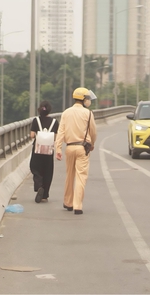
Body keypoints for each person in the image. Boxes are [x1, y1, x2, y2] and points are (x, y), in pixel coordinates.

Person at [54, 87, 97, 215]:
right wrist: (92, 144)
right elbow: (93, 132)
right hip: (82, 148)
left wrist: (58, 148)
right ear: (83, 99)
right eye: (88, 98)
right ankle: (77, 205)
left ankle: (68, 202)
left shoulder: (66, 112)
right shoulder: (88, 113)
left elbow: (61, 131)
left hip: (70, 148)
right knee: (81, 176)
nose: (89, 101)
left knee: (69, 176)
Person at [30, 101, 59, 203]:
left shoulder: (35, 120)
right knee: (48, 171)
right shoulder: (55, 122)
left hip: (37, 149)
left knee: (35, 168)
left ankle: (39, 186)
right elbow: (55, 137)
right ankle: (44, 195)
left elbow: (32, 135)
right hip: (48, 150)